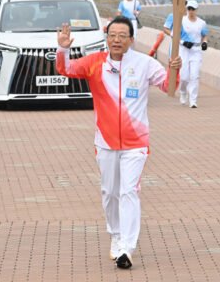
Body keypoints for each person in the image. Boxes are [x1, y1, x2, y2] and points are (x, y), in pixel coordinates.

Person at [54, 16, 182, 270]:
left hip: (136, 143)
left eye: (122, 36)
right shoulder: (95, 64)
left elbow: (169, 87)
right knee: (110, 192)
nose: (117, 40)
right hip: (105, 141)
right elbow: (65, 69)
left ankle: (127, 247)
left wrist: (175, 69)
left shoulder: (145, 63)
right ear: (107, 37)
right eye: (113, 35)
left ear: (131, 40)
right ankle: (115, 235)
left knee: (129, 191)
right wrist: (63, 48)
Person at [162, 0, 209, 108]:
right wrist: (183, 42)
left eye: (193, 9)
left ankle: (193, 100)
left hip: (196, 50)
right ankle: (183, 92)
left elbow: (204, 35)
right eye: (189, 8)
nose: (191, 11)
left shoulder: (201, 23)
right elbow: (174, 33)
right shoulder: (181, 20)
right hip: (183, 49)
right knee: (184, 76)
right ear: (187, 8)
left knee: (194, 76)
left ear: (196, 10)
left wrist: (204, 43)